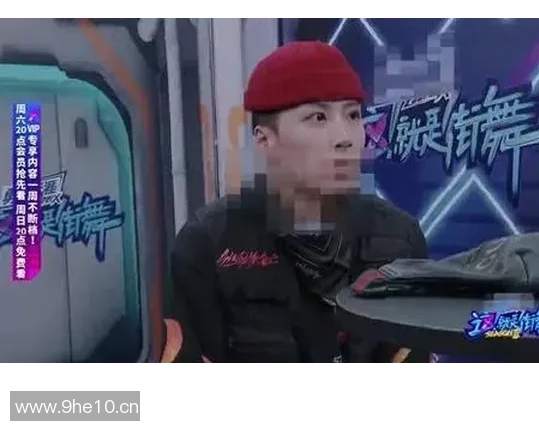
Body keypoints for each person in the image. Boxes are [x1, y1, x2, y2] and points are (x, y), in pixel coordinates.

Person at [164, 41, 429, 362]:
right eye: (318, 117)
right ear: (265, 139)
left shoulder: (400, 238)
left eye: (353, 115)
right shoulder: (209, 244)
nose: (345, 138)